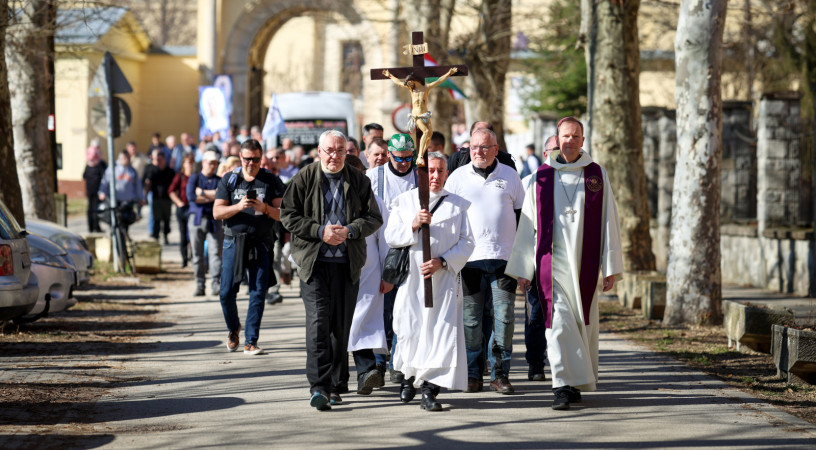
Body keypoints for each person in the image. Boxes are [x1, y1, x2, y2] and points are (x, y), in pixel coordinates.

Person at [506, 116, 624, 410]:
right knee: (557, 324)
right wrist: (523, 269)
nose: (570, 141)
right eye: (565, 136)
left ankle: (574, 383)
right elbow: (527, 225)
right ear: (557, 140)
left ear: (583, 140)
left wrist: (610, 267)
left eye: (575, 136)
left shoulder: (596, 175)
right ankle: (560, 385)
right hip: (552, 264)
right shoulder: (541, 176)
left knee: (580, 325)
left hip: (584, 265)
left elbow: (609, 220)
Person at [280, 130, 383, 411]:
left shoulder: (359, 179)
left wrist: (350, 230)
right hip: (314, 264)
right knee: (318, 324)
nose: (334, 156)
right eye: (329, 150)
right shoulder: (304, 177)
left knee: (340, 326)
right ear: (319, 151)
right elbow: (288, 215)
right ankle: (319, 387)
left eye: (340, 151)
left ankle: (337, 384)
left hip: (347, 264)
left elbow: (374, 217)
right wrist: (319, 231)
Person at [385, 151, 475, 411]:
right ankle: (407, 378)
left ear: (447, 174)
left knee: (439, 333)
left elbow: (468, 242)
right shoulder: (404, 201)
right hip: (412, 281)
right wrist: (413, 224)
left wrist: (443, 261)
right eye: (430, 171)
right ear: (420, 174)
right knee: (409, 329)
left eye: (440, 171)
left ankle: (429, 389)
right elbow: (391, 236)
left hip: (443, 281)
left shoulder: (457, 205)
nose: (435, 176)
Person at [444, 127, 525, 395]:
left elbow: (522, 219)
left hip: (503, 261)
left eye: (484, 147)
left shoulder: (510, 176)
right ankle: (473, 374)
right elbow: (448, 219)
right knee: (471, 322)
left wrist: (524, 262)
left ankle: (500, 374)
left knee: (504, 319)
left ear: (496, 149)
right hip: (469, 262)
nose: (478, 152)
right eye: (474, 147)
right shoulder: (457, 177)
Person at [214, 139, 285, 355]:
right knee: (226, 292)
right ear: (240, 157)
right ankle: (233, 328)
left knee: (258, 292)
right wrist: (238, 206)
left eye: (255, 159)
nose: (251, 163)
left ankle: (251, 341)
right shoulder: (230, 179)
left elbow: (284, 214)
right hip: (233, 242)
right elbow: (217, 212)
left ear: (261, 159)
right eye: (247, 159)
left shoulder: (270, 180)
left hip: (261, 242)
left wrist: (265, 208)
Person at [367, 133, 419, 384]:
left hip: (410, 251)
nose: (403, 163)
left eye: (408, 158)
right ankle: (378, 361)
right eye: (398, 158)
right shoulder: (372, 177)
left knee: (404, 310)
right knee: (381, 310)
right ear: (389, 154)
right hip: (380, 252)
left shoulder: (419, 176)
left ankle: (397, 361)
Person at [344, 154, 392, 405]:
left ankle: (367, 372)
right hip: (337, 269)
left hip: (369, 271)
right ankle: (340, 377)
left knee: (363, 320)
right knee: (340, 323)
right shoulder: (327, 198)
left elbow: (386, 240)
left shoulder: (375, 201)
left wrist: (388, 273)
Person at [520, 135, 558, 382]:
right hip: (536, 260)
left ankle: (562, 364)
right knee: (536, 314)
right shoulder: (529, 182)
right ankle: (535, 363)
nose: (559, 152)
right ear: (545, 154)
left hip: (564, 261)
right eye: (554, 149)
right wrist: (521, 266)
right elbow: (521, 228)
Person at [382, 68, 458, 165]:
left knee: (429, 134)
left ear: (413, 81)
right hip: (417, 115)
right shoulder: (411, 90)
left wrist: (448, 73)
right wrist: (390, 75)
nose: (408, 85)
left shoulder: (426, 88)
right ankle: (420, 156)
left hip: (425, 115)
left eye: (409, 83)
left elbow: (439, 81)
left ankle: (422, 153)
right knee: (425, 131)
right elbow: (399, 83)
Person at [188, 150, 223, 296]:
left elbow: (220, 196)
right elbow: (191, 196)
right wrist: (212, 195)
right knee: (197, 255)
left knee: (215, 253)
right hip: (196, 219)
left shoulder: (219, 180)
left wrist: (201, 193)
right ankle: (200, 285)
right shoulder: (194, 177)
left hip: (214, 220)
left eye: (215, 163)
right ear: (203, 162)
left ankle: (215, 284)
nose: (212, 166)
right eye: (210, 163)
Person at [98, 150, 144, 234]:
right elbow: (105, 182)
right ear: (120, 158)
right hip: (115, 200)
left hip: (128, 201)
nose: (126, 160)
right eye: (124, 158)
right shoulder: (112, 169)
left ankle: (124, 237)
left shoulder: (132, 171)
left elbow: (138, 186)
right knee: (114, 221)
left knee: (126, 221)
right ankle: (114, 236)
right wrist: (102, 192)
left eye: (128, 158)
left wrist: (141, 197)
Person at [447, 122, 516, 173]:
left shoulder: (506, 161)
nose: (478, 151)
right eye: (477, 133)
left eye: (484, 147)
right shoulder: (457, 160)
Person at [143, 149, 176, 244]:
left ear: (164, 159)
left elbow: (174, 184)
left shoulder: (170, 171)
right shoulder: (153, 170)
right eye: (157, 160)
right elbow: (147, 183)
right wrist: (145, 195)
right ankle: (156, 237)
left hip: (167, 199)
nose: (159, 162)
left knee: (166, 219)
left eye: (160, 159)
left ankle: (165, 235)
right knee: (156, 219)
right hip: (156, 198)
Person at [168, 153, 194, 267]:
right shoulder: (180, 176)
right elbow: (171, 190)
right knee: (183, 235)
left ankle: (193, 258)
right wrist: (178, 202)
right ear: (183, 164)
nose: (190, 165)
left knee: (193, 235)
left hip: (193, 208)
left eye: (192, 162)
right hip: (183, 209)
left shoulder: (196, 176)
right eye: (188, 162)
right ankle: (184, 259)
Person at [83, 140, 107, 233]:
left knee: (90, 208)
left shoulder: (88, 165)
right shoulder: (100, 165)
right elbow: (105, 176)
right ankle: (96, 227)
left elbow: (84, 176)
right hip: (97, 190)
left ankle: (91, 227)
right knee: (95, 208)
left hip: (90, 189)